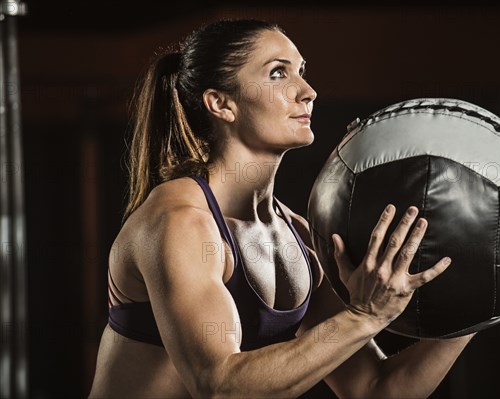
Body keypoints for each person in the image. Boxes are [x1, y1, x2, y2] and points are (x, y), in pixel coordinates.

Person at [88, 18, 474, 399]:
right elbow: (219, 386)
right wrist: (364, 316)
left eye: (302, 72)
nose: (308, 91)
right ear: (221, 103)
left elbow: (375, 388)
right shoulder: (179, 223)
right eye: (278, 74)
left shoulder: (298, 236)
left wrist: (488, 300)